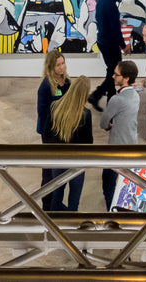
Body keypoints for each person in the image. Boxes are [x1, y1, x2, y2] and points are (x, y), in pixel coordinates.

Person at [44, 76, 94, 211]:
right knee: (74, 199)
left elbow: (46, 134)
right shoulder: (85, 115)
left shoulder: (55, 107)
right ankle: (71, 226)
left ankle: (54, 224)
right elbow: (88, 143)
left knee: (57, 195)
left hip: (58, 160)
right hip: (76, 163)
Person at [99, 59, 139, 209]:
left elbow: (103, 123)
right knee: (129, 183)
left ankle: (112, 210)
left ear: (126, 78)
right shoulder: (136, 96)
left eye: (116, 75)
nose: (113, 77)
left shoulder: (116, 100)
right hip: (133, 146)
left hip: (116, 150)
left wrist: (110, 125)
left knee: (108, 182)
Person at [89, 0, 130, 111]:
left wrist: (118, 21)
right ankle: (96, 95)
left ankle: (109, 103)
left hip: (103, 41)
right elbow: (114, 31)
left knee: (112, 72)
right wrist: (124, 46)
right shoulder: (110, 5)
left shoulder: (102, 2)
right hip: (110, 44)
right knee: (115, 74)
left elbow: (105, 22)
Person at [36, 49, 69, 210]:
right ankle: (47, 204)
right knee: (49, 170)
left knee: (61, 169)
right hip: (49, 134)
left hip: (63, 132)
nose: (61, 67)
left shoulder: (67, 82)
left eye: (63, 64)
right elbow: (42, 112)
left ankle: (57, 202)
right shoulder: (45, 86)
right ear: (51, 67)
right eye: (58, 65)